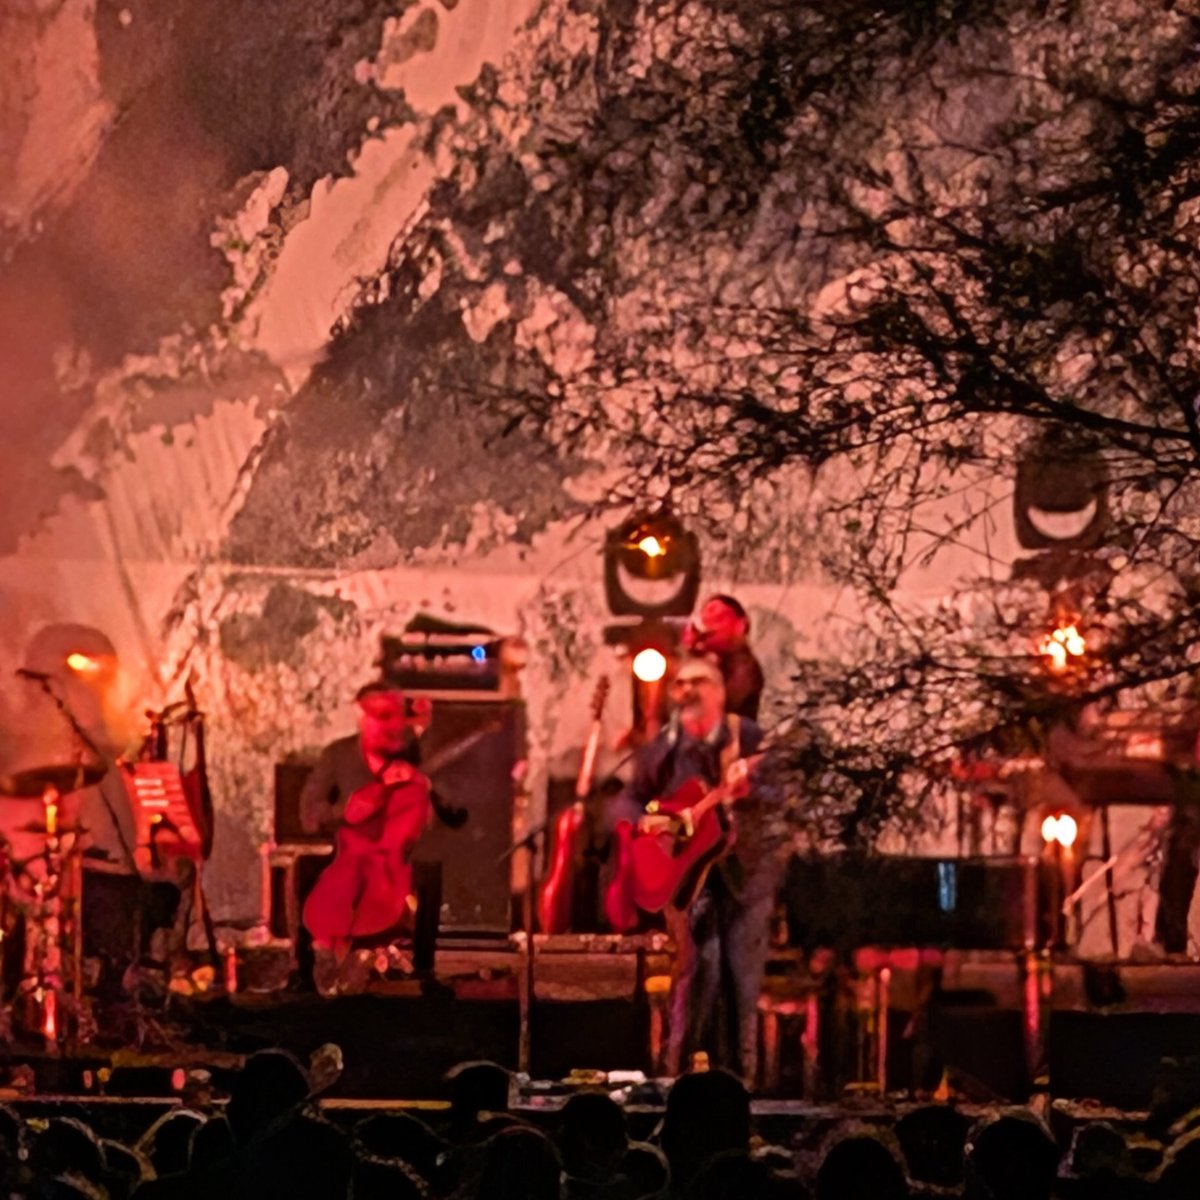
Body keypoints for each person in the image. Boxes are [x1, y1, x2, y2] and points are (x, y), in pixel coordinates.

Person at [609, 656, 781, 1082]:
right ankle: (677, 1080)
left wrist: (751, 786)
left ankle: (743, 1088)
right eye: (680, 683)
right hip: (688, 878)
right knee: (694, 972)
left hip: (746, 876)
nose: (687, 690)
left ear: (720, 692)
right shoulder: (663, 749)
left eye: (698, 682)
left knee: (741, 983)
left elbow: (784, 787)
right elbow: (628, 799)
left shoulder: (748, 738)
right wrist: (644, 823)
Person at [299, 682, 434, 984]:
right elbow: (309, 812)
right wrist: (342, 812)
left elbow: (449, 817)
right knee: (308, 876)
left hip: (398, 865)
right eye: (382, 716)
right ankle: (313, 964)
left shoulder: (418, 752)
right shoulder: (337, 755)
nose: (393, 725)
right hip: (346, 856)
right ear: (361, 717)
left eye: (397, 716)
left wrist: (423, 786)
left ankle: (378, 957)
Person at [681, 595, 764, 720]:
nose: (711, 626)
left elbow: (720, 705)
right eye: (706, 619)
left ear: (741, 625)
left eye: (719, 618)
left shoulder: (744, 666)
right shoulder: (714, 659)